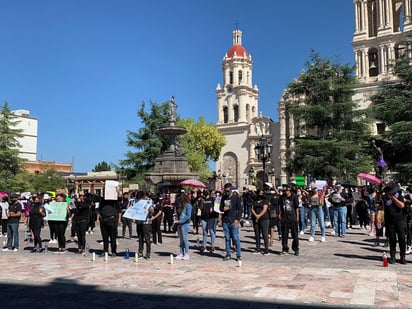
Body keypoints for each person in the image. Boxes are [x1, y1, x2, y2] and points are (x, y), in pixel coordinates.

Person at [383, 182, 407, 264]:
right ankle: (392, 257)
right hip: (390, 221)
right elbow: (384, 207)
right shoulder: (385, 197)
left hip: (399, 220)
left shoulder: (399, 196)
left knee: (402, 239)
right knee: (392, 239)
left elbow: (402, 205)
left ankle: (402, 257)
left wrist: (393, 198)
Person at [220, 182, 242, 261]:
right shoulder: (223, 198)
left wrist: (238, 219)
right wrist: (223, 209)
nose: (227, 192)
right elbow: (220, 208)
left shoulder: (236, 198)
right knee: (227, 238)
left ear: (231, 190)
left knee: (235, 238)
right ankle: (228, 254)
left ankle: (238, 254)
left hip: (234, 220)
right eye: (225, 191)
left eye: (228, 191)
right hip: (226, 220)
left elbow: (240, 210)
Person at [97, 193, 122, 258]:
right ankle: (105, 250)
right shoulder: (102, 200)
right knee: (104, 237)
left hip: (112, 219)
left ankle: (113, 251)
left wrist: (117, 191)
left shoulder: (115, 200)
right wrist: (97, 218)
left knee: (113, 237)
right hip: (103, 219)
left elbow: (119, 207)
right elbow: (99, 209)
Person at [278, 184, 299, 256]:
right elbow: (280, 206)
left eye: (286, 190)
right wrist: (280, 215)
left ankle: (295, 248)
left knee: (295, 235)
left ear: (289, 189)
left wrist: (297, 217)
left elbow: (296, 207)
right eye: (284, 190)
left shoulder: (294, 196)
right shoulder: (282, 197)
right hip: (284, 218)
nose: (285, 191)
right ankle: (285, 249)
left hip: (292, 218)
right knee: (284, 235)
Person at [135, 190, 154, 259]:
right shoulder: (136, 200)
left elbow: (152, 211)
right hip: (139, 221)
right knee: (140, 238)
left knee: (147, 238)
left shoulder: (149, 201)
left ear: (144, 196)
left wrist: (149, 208)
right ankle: (140, 252)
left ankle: (148, 253)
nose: (140, 199)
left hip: (147, 222)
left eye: (141, 198)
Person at [251, 189, 270, 255]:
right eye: (260, 193)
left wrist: (259, 216)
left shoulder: (265, 201)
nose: (260, 195)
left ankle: (266, 249)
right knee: (257, 234)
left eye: (262, 193)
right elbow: (252, 208)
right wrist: (256, 216)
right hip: (255, 219)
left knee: (265, 234)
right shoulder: (255, 201)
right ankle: (258, 248)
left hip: (264, 218)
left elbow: (265, 209)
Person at [174, 193, 192, 260]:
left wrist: (181, 221)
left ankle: (186, 253)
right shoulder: (179, 206)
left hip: (185, 224)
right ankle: (181, 253)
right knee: (181, 240)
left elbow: (188, 216)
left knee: (185, 239)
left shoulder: (188, 205)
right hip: (179, 224)